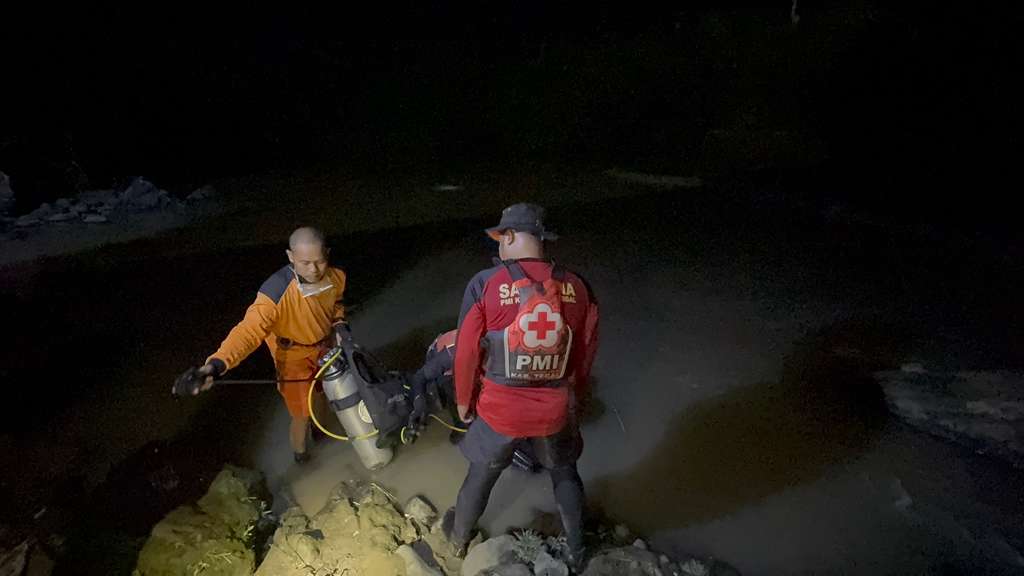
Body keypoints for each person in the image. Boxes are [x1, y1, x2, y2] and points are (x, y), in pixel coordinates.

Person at [445, 203, 599, 569]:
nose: (499, 246)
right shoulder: (577, 285)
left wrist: (464, 402)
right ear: (542, 239)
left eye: (501, 238)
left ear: (510, 236)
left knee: (481, 473)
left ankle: (457, 542)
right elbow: (585, 350)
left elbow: (466, 352)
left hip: (500, 411)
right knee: (564, 472)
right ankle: (578, 552)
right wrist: (572, 396)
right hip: (555, 410)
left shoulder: (485, 283)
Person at [173, 227, 346, 464]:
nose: (314, 270)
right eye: (305, 263)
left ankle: (321, 433)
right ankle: (301, 456)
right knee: (301, 414)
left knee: (325, 393)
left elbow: (336, 305)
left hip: (324, 348)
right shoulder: (274, 293)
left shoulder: (336, 277)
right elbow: (247, 332)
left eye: (319, 261)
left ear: (327, 253)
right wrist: (213, 366)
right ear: (290, 257)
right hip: (292, 356)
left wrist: (339, 323)